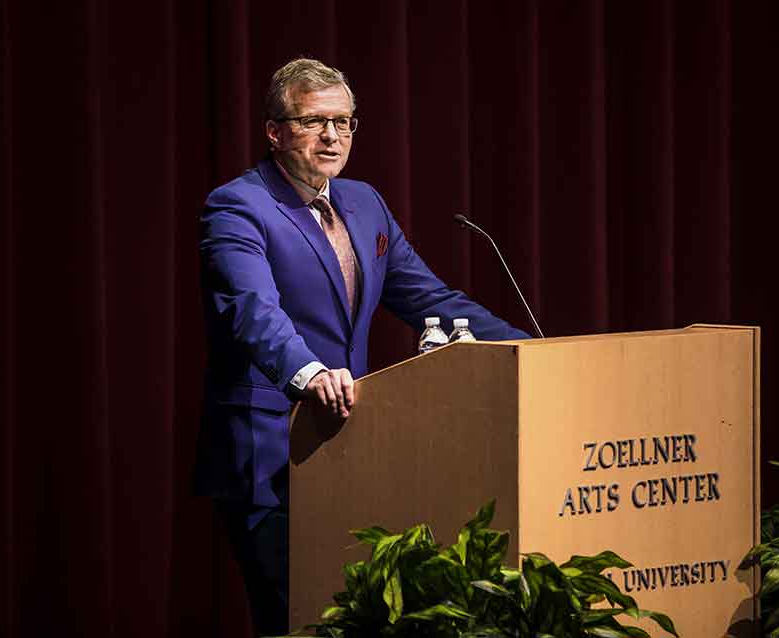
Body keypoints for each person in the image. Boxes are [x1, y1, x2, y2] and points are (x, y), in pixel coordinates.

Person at [194, 57, 530, 636]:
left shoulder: (363, 202)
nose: (332, 136)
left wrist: (533, 348)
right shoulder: (238, 206)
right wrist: (309, 371)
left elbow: (426, 296)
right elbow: (253, 311)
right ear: (275, 131)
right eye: (313, 121)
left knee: (354, 618)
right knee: (294, 620)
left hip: (354, 447)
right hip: (271, 449)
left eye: (344, 122)